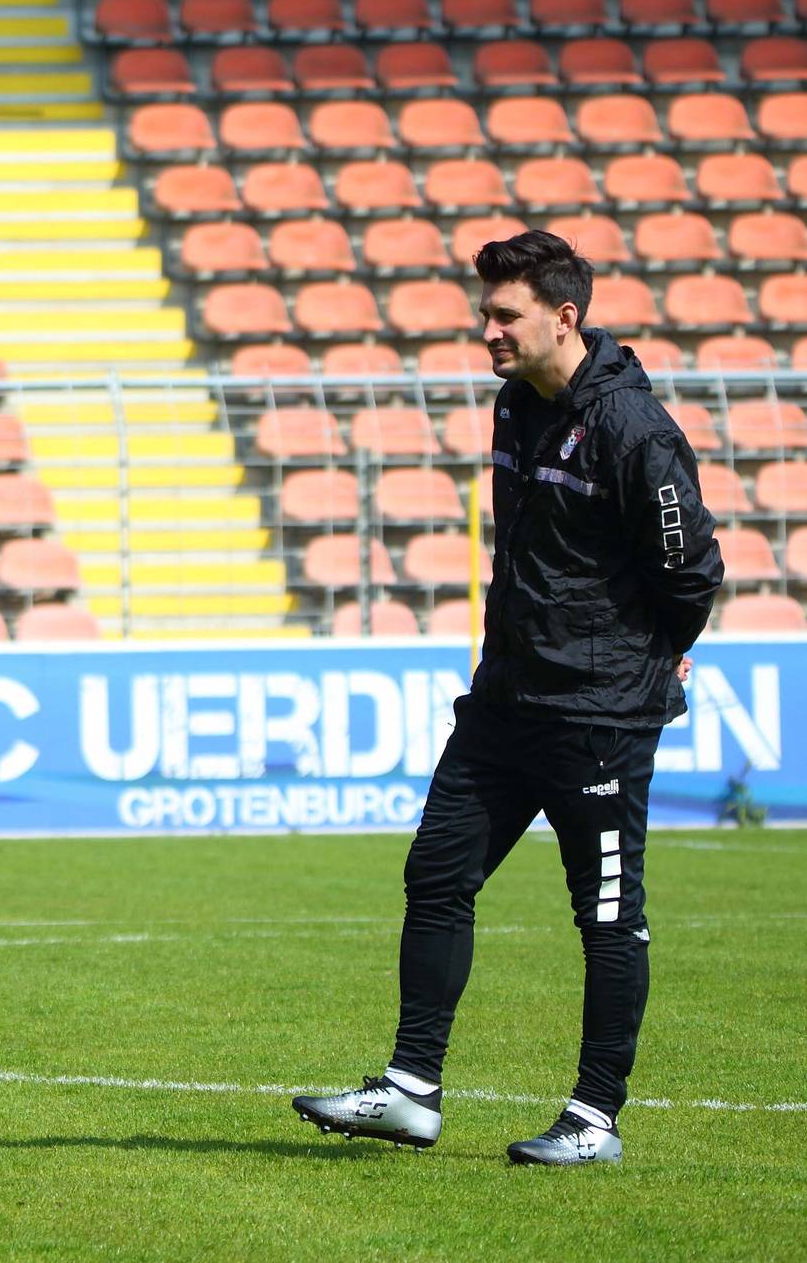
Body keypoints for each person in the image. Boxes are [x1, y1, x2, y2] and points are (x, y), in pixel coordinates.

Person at [293, 231, 724, 1165]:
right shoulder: (515, 404)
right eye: (483, 312)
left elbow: (691, 570)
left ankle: (594, 1118)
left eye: (504, 314)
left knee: (606, 915)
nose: (486, 329)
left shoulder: (635, 430)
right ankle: (411, 1089)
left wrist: (659, 651)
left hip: (598, 717)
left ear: (564, 317)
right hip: (503, 704)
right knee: (436, 873)